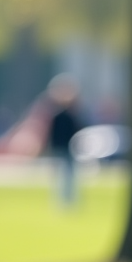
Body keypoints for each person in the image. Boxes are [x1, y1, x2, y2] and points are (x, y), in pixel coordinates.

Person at [46, 73, 84, 208]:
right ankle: (62, 202)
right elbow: (53, 135)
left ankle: (69, 202)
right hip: (61, 150)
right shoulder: (59, 116)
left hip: (68, 150)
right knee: (62, 177)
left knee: (69, 177)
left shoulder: (71, 116)